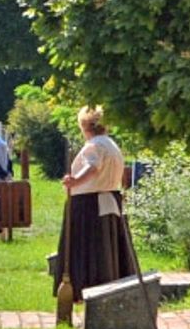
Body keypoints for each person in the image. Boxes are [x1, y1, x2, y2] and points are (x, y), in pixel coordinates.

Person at [53, 106, 135, 302]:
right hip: (109, 200)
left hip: (88, 204)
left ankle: (85, 289)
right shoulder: (111, 145)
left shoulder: (94, 145)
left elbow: (92, 166)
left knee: (87, 250)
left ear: (84, 126)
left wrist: (74, 181)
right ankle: (107, 288)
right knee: (106, 249)